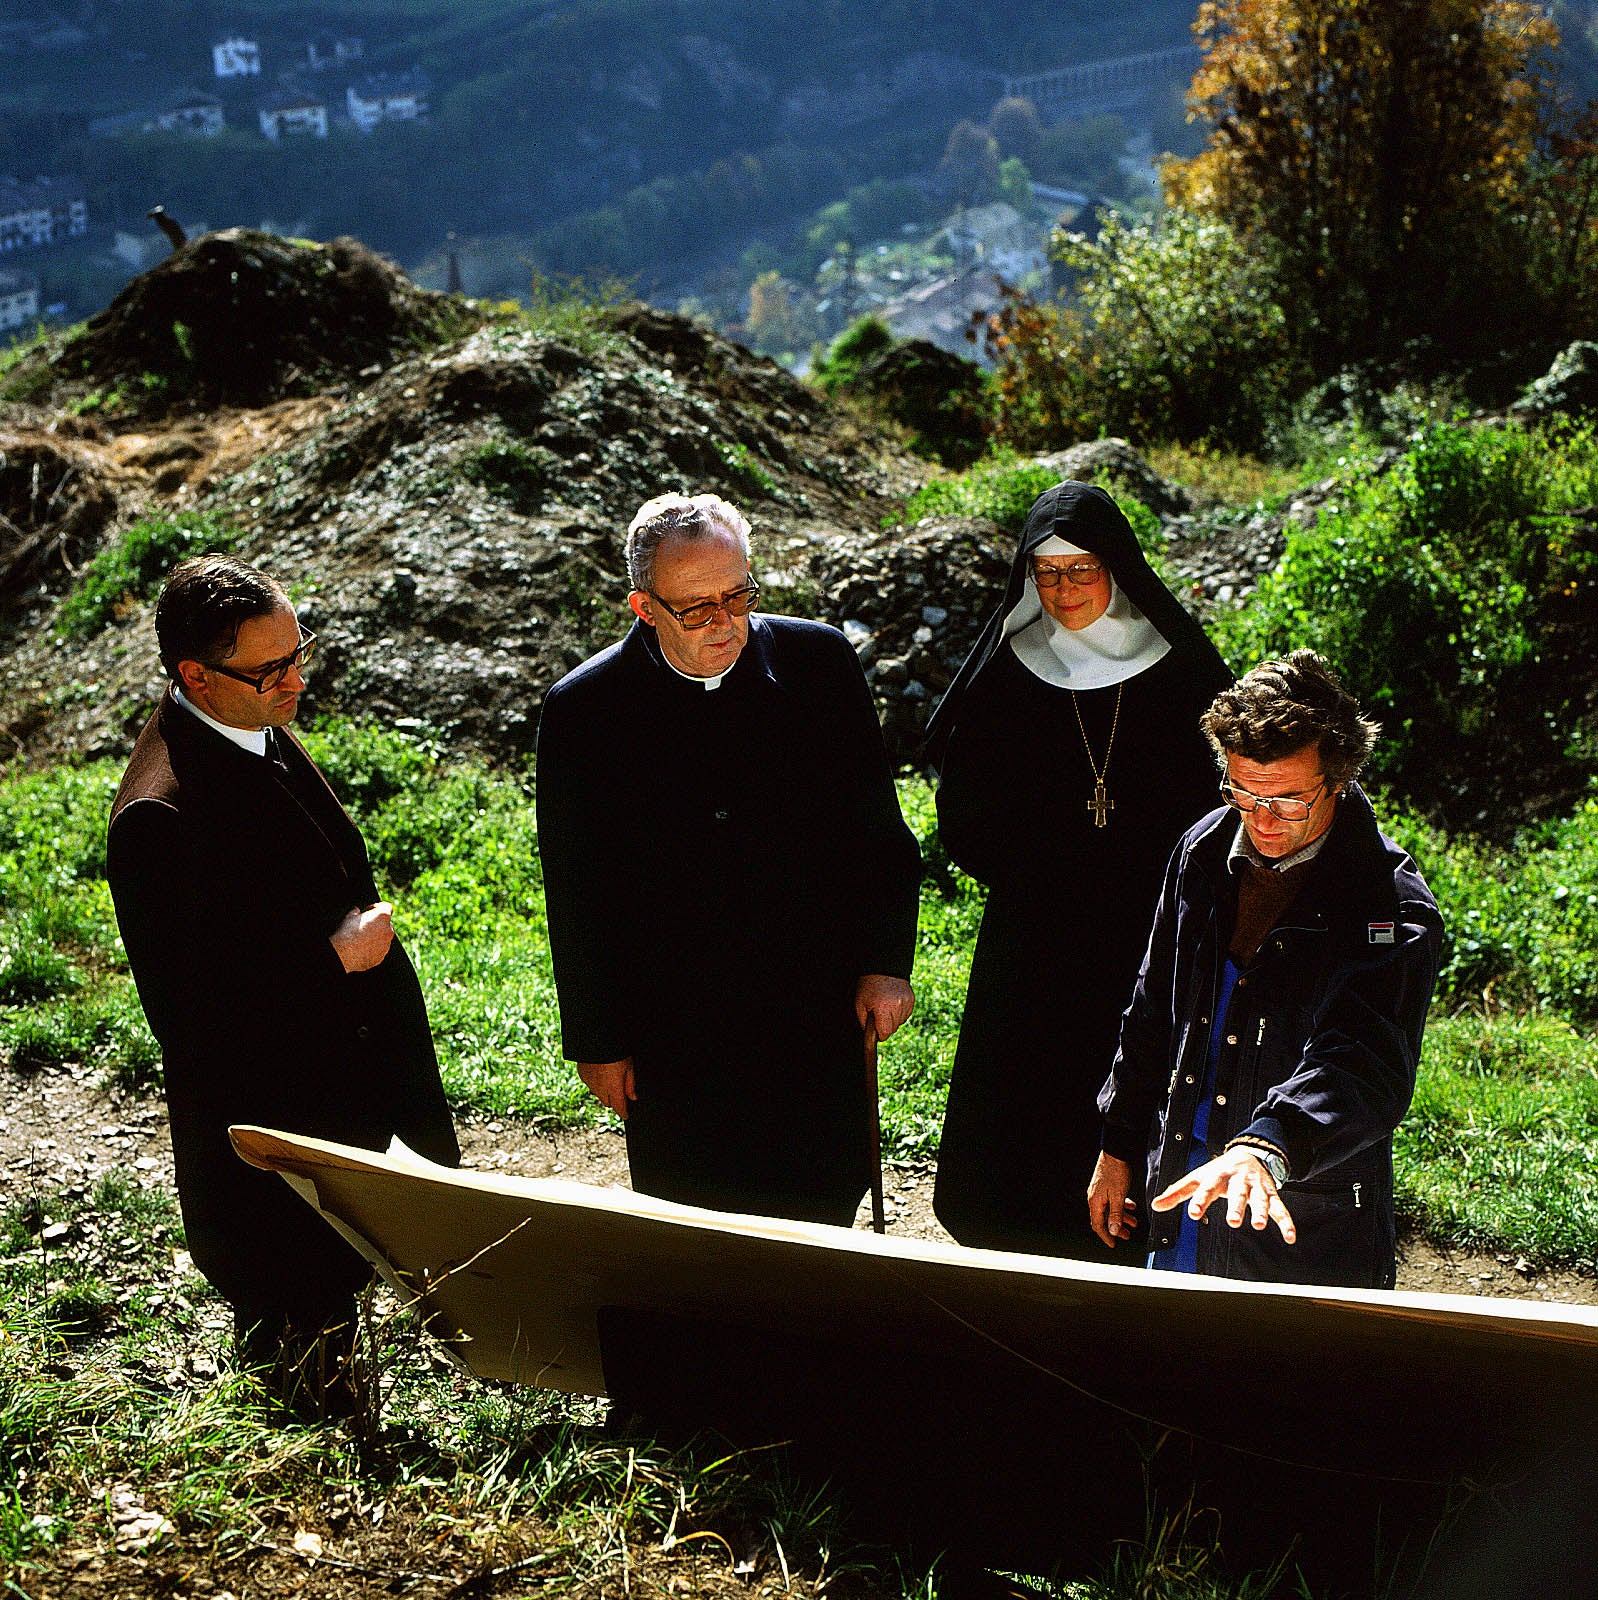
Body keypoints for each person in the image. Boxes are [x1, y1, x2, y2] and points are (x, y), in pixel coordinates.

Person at [106, 554, 460, 1410]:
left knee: (334, 1336)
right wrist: (333, 960)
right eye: (270, 669)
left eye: (298, 654)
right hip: (266, 1167)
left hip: (330, 1124)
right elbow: (191, 1017)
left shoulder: (246, 720)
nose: (296, 681)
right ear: (195, 674)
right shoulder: (159, 814)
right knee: (298, 1386)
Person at [535, 492, 921, 1226]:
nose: (726, 622)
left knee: (821, 1212)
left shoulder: (819, 664)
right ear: (644, 609)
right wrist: (598, 1040)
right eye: (696, 608)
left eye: (738, 596)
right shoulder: (585, 709)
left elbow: (877, 830)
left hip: (812, 1005)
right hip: (676, 1026)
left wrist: (884, 962)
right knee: (695, 1223)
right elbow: (577, 889)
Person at [923, 480, 1231, 1259]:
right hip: (1034, 929)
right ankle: (1012, 1230)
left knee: (1128, 1074)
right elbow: (963, 804)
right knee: (1024, 1086)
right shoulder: (1011, 667)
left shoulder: (1179, 671)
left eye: (1081, 569)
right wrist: (1034, 866)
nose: (1063, 589)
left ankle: (1128, 1239)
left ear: (1115, 568)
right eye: (1047, 572)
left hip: (1143, 927)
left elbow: (1217, 797)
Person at [1089, 649, 1443, 1288]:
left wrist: (1270, 1145)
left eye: (1287, 801)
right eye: (1243, 793)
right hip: (1184, 1193)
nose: (1261, 820)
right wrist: (1117, 1144)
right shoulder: (1202, 850)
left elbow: (1363, 1063)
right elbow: (1153, 1007)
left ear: (1338, 779)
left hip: (1299, 1219)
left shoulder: (1388, 904)